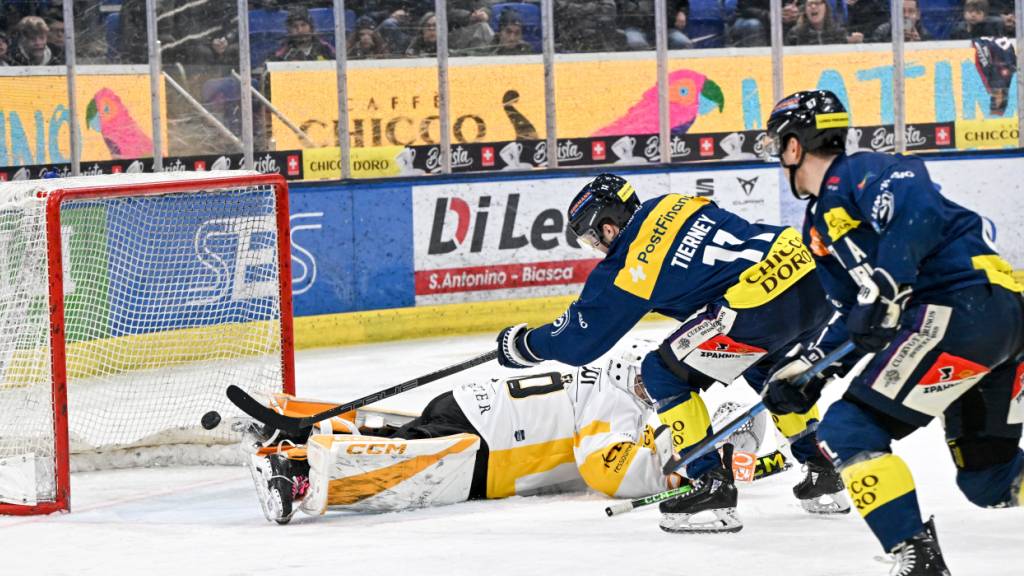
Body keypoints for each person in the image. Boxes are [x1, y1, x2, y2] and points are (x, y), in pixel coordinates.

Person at [494, 173, 850, 534]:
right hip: (807, 274)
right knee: (765, 365)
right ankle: (822, 469)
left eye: (592, 238)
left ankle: (709, 483)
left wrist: (523, 344)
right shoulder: (672, 202)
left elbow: (579, 340)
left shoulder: (629, 264)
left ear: (608, 226)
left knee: (661, 373)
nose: (597, 248)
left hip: (760, 301)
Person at [763, 89, 1024, 575]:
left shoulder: (861, 171)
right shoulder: (817, 228)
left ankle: (917, 561)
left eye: (780, 145)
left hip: (962, 310)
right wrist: (810, 371)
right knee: (988, 479)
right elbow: (855, 314)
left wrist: (890, 281)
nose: (781, 158)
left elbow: (916, 209)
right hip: (996, 326)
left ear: (794, 146)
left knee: (849, 428)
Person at [245, 350, 775, 524]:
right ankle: (292, 473)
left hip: (476, 413)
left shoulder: (616, 374)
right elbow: (607, 470)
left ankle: (303, 427)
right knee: (397, 470)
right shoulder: (620, 400)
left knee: (410, 434)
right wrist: (669, 453)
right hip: (489, 448)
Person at [268, 7, 336, 62]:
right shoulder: (281, 54)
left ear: (311, 27)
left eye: (303, 25)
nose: (300, 30)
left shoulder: (326, 49)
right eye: (295, 26)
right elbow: (268, 75)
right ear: (289, 30)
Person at [784, 0, 857, 45]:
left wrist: (856, 44)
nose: (813, 6)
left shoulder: (839, 33)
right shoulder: (795, 34)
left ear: (826, 8)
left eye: (817, 3)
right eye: (809, 4)